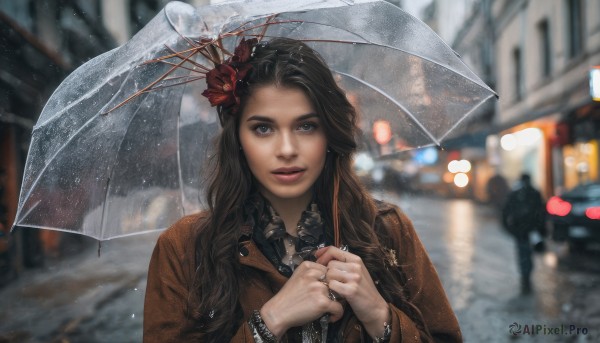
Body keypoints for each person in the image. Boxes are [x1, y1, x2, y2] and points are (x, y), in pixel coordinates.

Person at [144, 37, 462, 342]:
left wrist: (379, 315)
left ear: (329, 134)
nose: (286, 149)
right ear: (238, 139)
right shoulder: (185, 249)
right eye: (263, 128)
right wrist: (269, 323)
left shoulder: (387, 231)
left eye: (306, 126)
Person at [501, 173, 545, 294]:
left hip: (526, 231)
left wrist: (509, 229)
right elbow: (506, 213)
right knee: (525, 254)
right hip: (524, 231)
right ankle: (526, 278)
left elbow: (540, 213)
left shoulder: (528, 194)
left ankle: (526, 278)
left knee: (525, 254)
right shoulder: (522, 194)